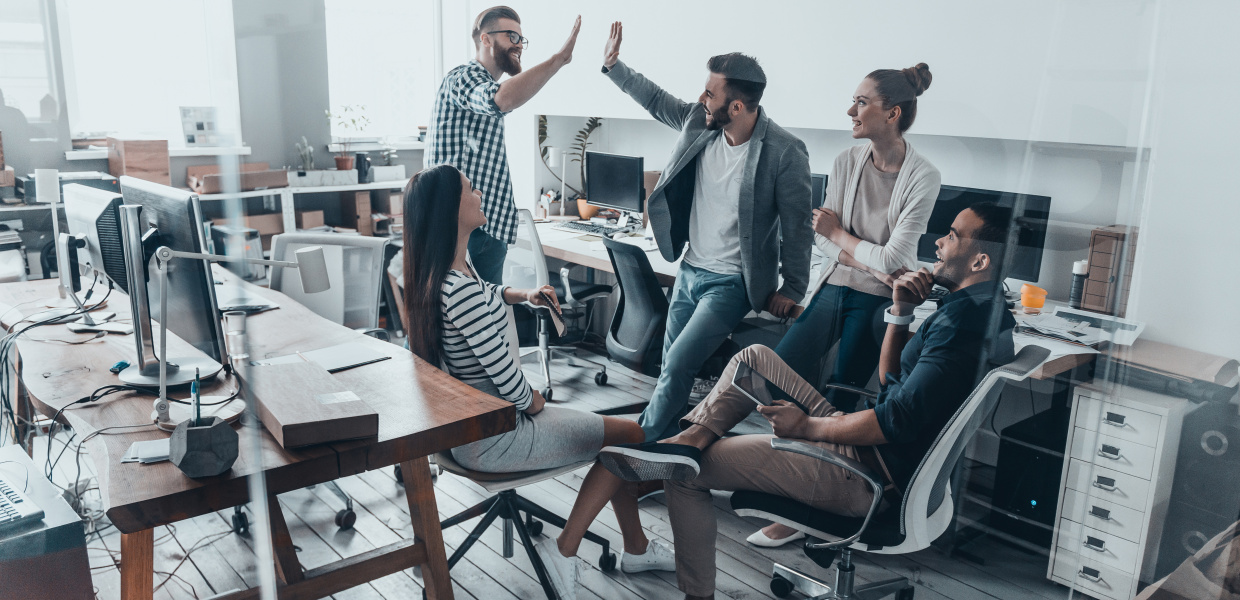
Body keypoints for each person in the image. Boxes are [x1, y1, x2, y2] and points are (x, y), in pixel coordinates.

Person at [597, 203, 1018, 600]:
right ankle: (689, 440)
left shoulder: (960, 325)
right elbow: (893, 385)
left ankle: (697, 580)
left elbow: (895, 420)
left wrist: (808, 428)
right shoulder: (983, 310)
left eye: (952, 236)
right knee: (754, 358)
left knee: (685, 477)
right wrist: (901, 312)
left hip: (865, 475)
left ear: (980, 261)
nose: (939, 244)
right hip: (873, 451)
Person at [401, 164, 675, 600]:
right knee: (630, 436)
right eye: (470, 190)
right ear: (451, 210)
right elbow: (512, 388)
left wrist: (519, 294)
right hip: (498, 436)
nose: (479, 195)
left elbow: (482, 295)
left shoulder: (442, 278)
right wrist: (536, 401)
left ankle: (638, 548)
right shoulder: (461, 292)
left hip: (468, 433)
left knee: (612, 431)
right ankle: (568, 550)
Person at [755, 63, 942, 548]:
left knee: (835, 400)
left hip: (878, 300)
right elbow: (825, 247)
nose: (850, 110)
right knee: (780, 372)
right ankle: (777, 477)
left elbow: (894, 258)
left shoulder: (924, 176)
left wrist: (840, 235)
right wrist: (866, 257)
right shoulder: (845, 161)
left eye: (861, 102)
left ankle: (804, 508)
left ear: (892, 113)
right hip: (836, 285)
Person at [600, 22, 813, 443]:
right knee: (669, 363)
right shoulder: (700, 123)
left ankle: (637, 450)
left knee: (679, 362)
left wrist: (794, 286)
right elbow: (658, 101)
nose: (702, 98)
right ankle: (669, 450)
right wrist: (614, 66)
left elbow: (798, 224)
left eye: (711, 93)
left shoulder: (784, 152)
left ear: (736, 107)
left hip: (733, 281)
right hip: (691, 268)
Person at [424, 6, 582, 285]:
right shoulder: (464, 77)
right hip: (460, 228)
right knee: (465, 319)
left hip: (484, 227)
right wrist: (558, 60)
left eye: (521, 39)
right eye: (512, 36)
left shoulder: (483, 82)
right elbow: (499, 100)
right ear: (485, 39)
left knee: (486, 314)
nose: (519, 45)